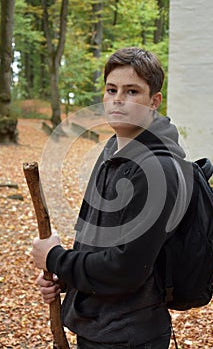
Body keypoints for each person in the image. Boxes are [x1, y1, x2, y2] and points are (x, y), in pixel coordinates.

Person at [32, 47, 188, 349]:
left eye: (132, 91)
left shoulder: (158, 168)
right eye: (111, 89)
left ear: (154, 101)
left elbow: (127, 268)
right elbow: (95, 242)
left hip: (129, 334)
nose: (118, 99)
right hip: (97, 325)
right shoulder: (110, 151)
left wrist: (55, 258)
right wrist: (64, 277)